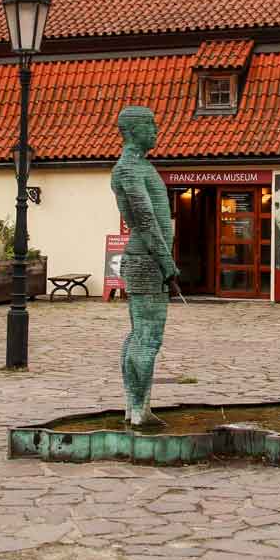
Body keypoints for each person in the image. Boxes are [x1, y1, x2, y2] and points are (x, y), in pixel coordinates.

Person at [109, 105, 181, 427]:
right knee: (148, 338)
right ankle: (139, 410)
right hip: (147, 259)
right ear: (133, 130)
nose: (156, 131)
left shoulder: (139, 166)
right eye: (151, 125)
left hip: (146, 259)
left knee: (140, 335)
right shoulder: (128, 169)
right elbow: (145, 219)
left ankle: (135, 406)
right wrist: (168, 264)